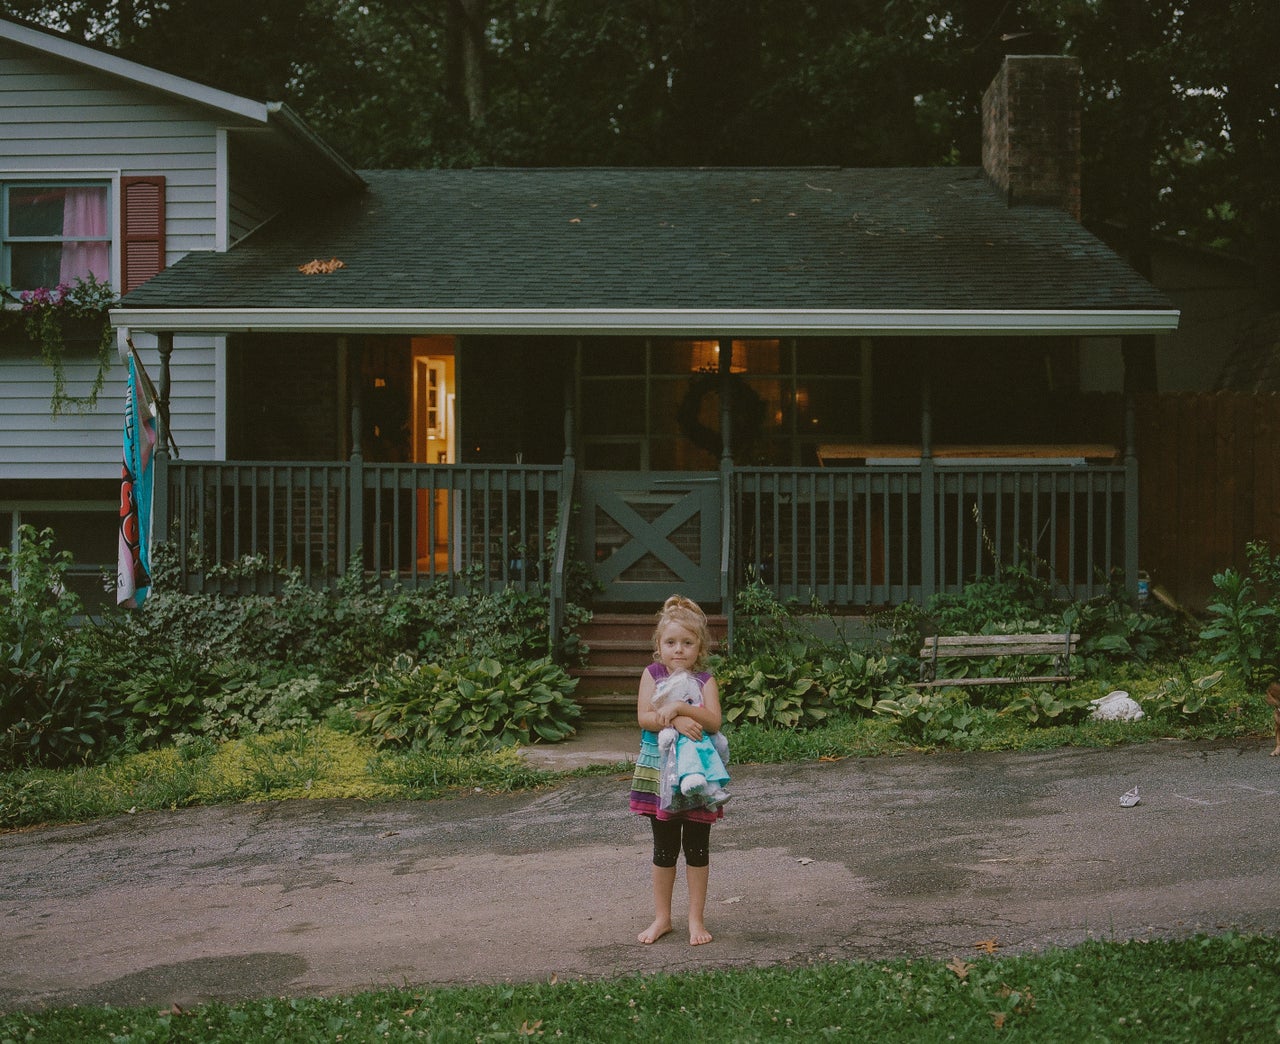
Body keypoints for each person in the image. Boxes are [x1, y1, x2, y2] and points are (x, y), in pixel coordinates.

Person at [629, 594, 728, 946]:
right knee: (664, 848)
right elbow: (644, 717)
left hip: (698, 775)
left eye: (687, 643)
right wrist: (675, 716)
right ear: (659, 644)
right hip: (661, 776)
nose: (679, 650)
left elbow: (714, 720)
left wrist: (681, 711)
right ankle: (662, 919)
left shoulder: (704, 680)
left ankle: (695, 920)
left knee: (698, 848)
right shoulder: (652, 674)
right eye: (671, 642)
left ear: (699, 646)